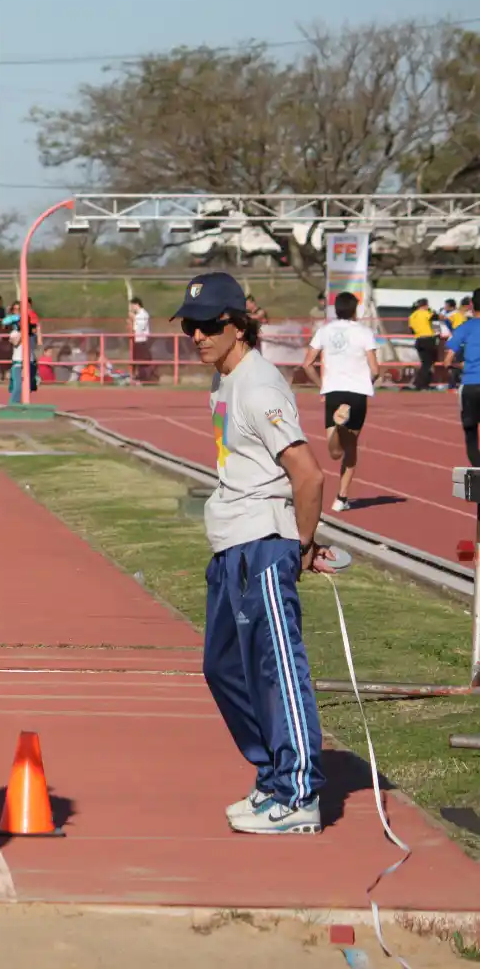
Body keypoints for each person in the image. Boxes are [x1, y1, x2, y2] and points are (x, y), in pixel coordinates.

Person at [176, 271, 331, 835]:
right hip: (231, 543)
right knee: (222, 669)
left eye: (210, 325)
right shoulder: (225, 379)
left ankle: (298, 794)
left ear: (239, 325)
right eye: (191, 326)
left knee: (276, 669)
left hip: (264, 544)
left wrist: (302, 543)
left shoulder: (258, 385)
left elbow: (308, 475)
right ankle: (271, 776)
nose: (198, 336)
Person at [300, 292, 380, 513]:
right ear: (355, 310)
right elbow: (375, 369)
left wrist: (322, 386)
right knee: (351, 448)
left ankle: (338, 426)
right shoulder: (365, 332)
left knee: (334, 453)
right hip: (357, 393)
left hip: (333, 391)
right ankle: (341, 498)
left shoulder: (324, 331)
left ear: (336, 310)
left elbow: (307, 364)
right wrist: (367, 382)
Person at [443, 286, 480, 467]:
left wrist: (460, 365)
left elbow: (447, 361)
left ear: (472, 305)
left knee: (470, 431)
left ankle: (477, 469)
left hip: (471, 384)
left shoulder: (465, 327)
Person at [408, 298, 437, 390]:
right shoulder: (426, 313)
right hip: (428, 339)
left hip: (418, 340)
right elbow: (436, 317)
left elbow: (412, 330)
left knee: (425, 363)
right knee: (427, 364)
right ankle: (418, 383)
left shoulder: (412, 315)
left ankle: (424, 383)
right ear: (425, 305)